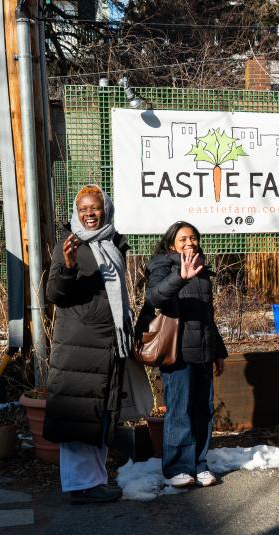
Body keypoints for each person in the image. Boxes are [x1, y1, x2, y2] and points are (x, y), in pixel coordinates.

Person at [44, 184, 133, 504]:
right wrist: (68, 267)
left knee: (99, 414)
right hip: (79, 345)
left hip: (107, 344)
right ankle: (80, 486)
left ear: (105, 209)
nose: (89, 214)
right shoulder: (69, 245)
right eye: (83, 209)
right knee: (78, 415)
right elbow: (55, 294)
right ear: (76, 213)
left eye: (94, 208)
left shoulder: (113, 243)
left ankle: (94, 480)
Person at [144, 221, 227, 488]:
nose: (189, 242)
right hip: (177, 351)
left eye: (193, 238)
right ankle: (176, 468)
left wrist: (218, 351)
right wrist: (181, 276)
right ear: (171, 244)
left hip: (203, 350)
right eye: (183, 239)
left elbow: (207, 315)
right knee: (179, 411)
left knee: (202, 410)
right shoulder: (162, 264)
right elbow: (155, 297)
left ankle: (199, 464)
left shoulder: (201, 268)